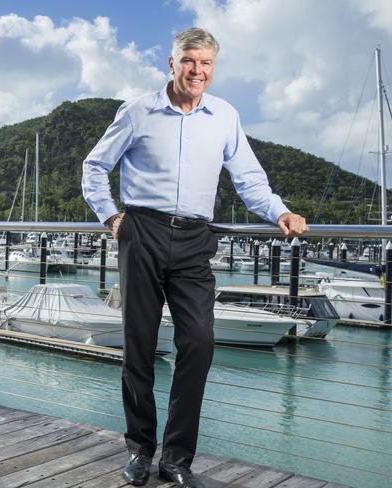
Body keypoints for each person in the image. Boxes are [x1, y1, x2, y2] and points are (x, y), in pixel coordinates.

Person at [82, 27, 307, 488]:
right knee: (138, 348)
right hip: (141, 232)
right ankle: (140, 452)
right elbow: (94, 166)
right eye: (189, 61)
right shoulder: (138, 110)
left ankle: (177, 460)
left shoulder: (224, 115)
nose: (197, 70)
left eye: (205, 63)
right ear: (172, 63)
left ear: (213, 67)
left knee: (199, 345)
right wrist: (110, 217)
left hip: (194, 240)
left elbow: (249, 180)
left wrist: (280, 211)